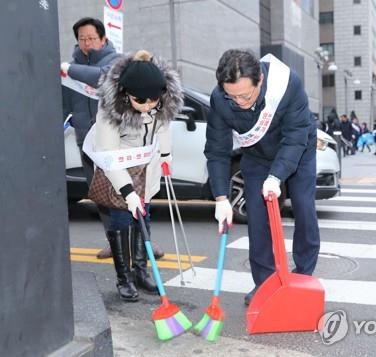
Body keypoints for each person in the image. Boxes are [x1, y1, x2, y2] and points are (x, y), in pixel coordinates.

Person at [204, 49, 320, 306]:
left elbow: (296, 134)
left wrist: (277, 176)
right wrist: (221, 197)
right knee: (257, 217)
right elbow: (217, 150)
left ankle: (303, 276)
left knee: (302, 204)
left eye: (246, 95)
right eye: (232, 96)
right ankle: (265, 283)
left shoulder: (288, 83)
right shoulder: (220, 100)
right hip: (256, 156)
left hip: (297, 150)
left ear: (261, 79)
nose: (240, 102)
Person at [61, 18, 164, 260]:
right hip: (87, 142)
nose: (86, 43)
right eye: (82, 39)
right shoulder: (71, 68)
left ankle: (143, 243)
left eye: (91, 38)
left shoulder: (116, 62)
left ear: (103, 39)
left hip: (120, 143)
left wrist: (68, 68)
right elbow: (64, 101)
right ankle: (114, 242)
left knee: (134, 193)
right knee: (103, 195)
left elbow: (100, 77)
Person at [88, 50, 183, 301]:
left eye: (153, 101)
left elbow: (163, 128)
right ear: (125, 93)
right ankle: (124, 277)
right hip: (118, 170)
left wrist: (165, 157)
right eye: (141, 101)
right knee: (121, 221)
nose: (148, 106)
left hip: (148, 172)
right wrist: (128, 192)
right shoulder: (110, 110)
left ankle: (141, 271)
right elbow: (107, 154)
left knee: (144, 218)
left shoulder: (162, 101)